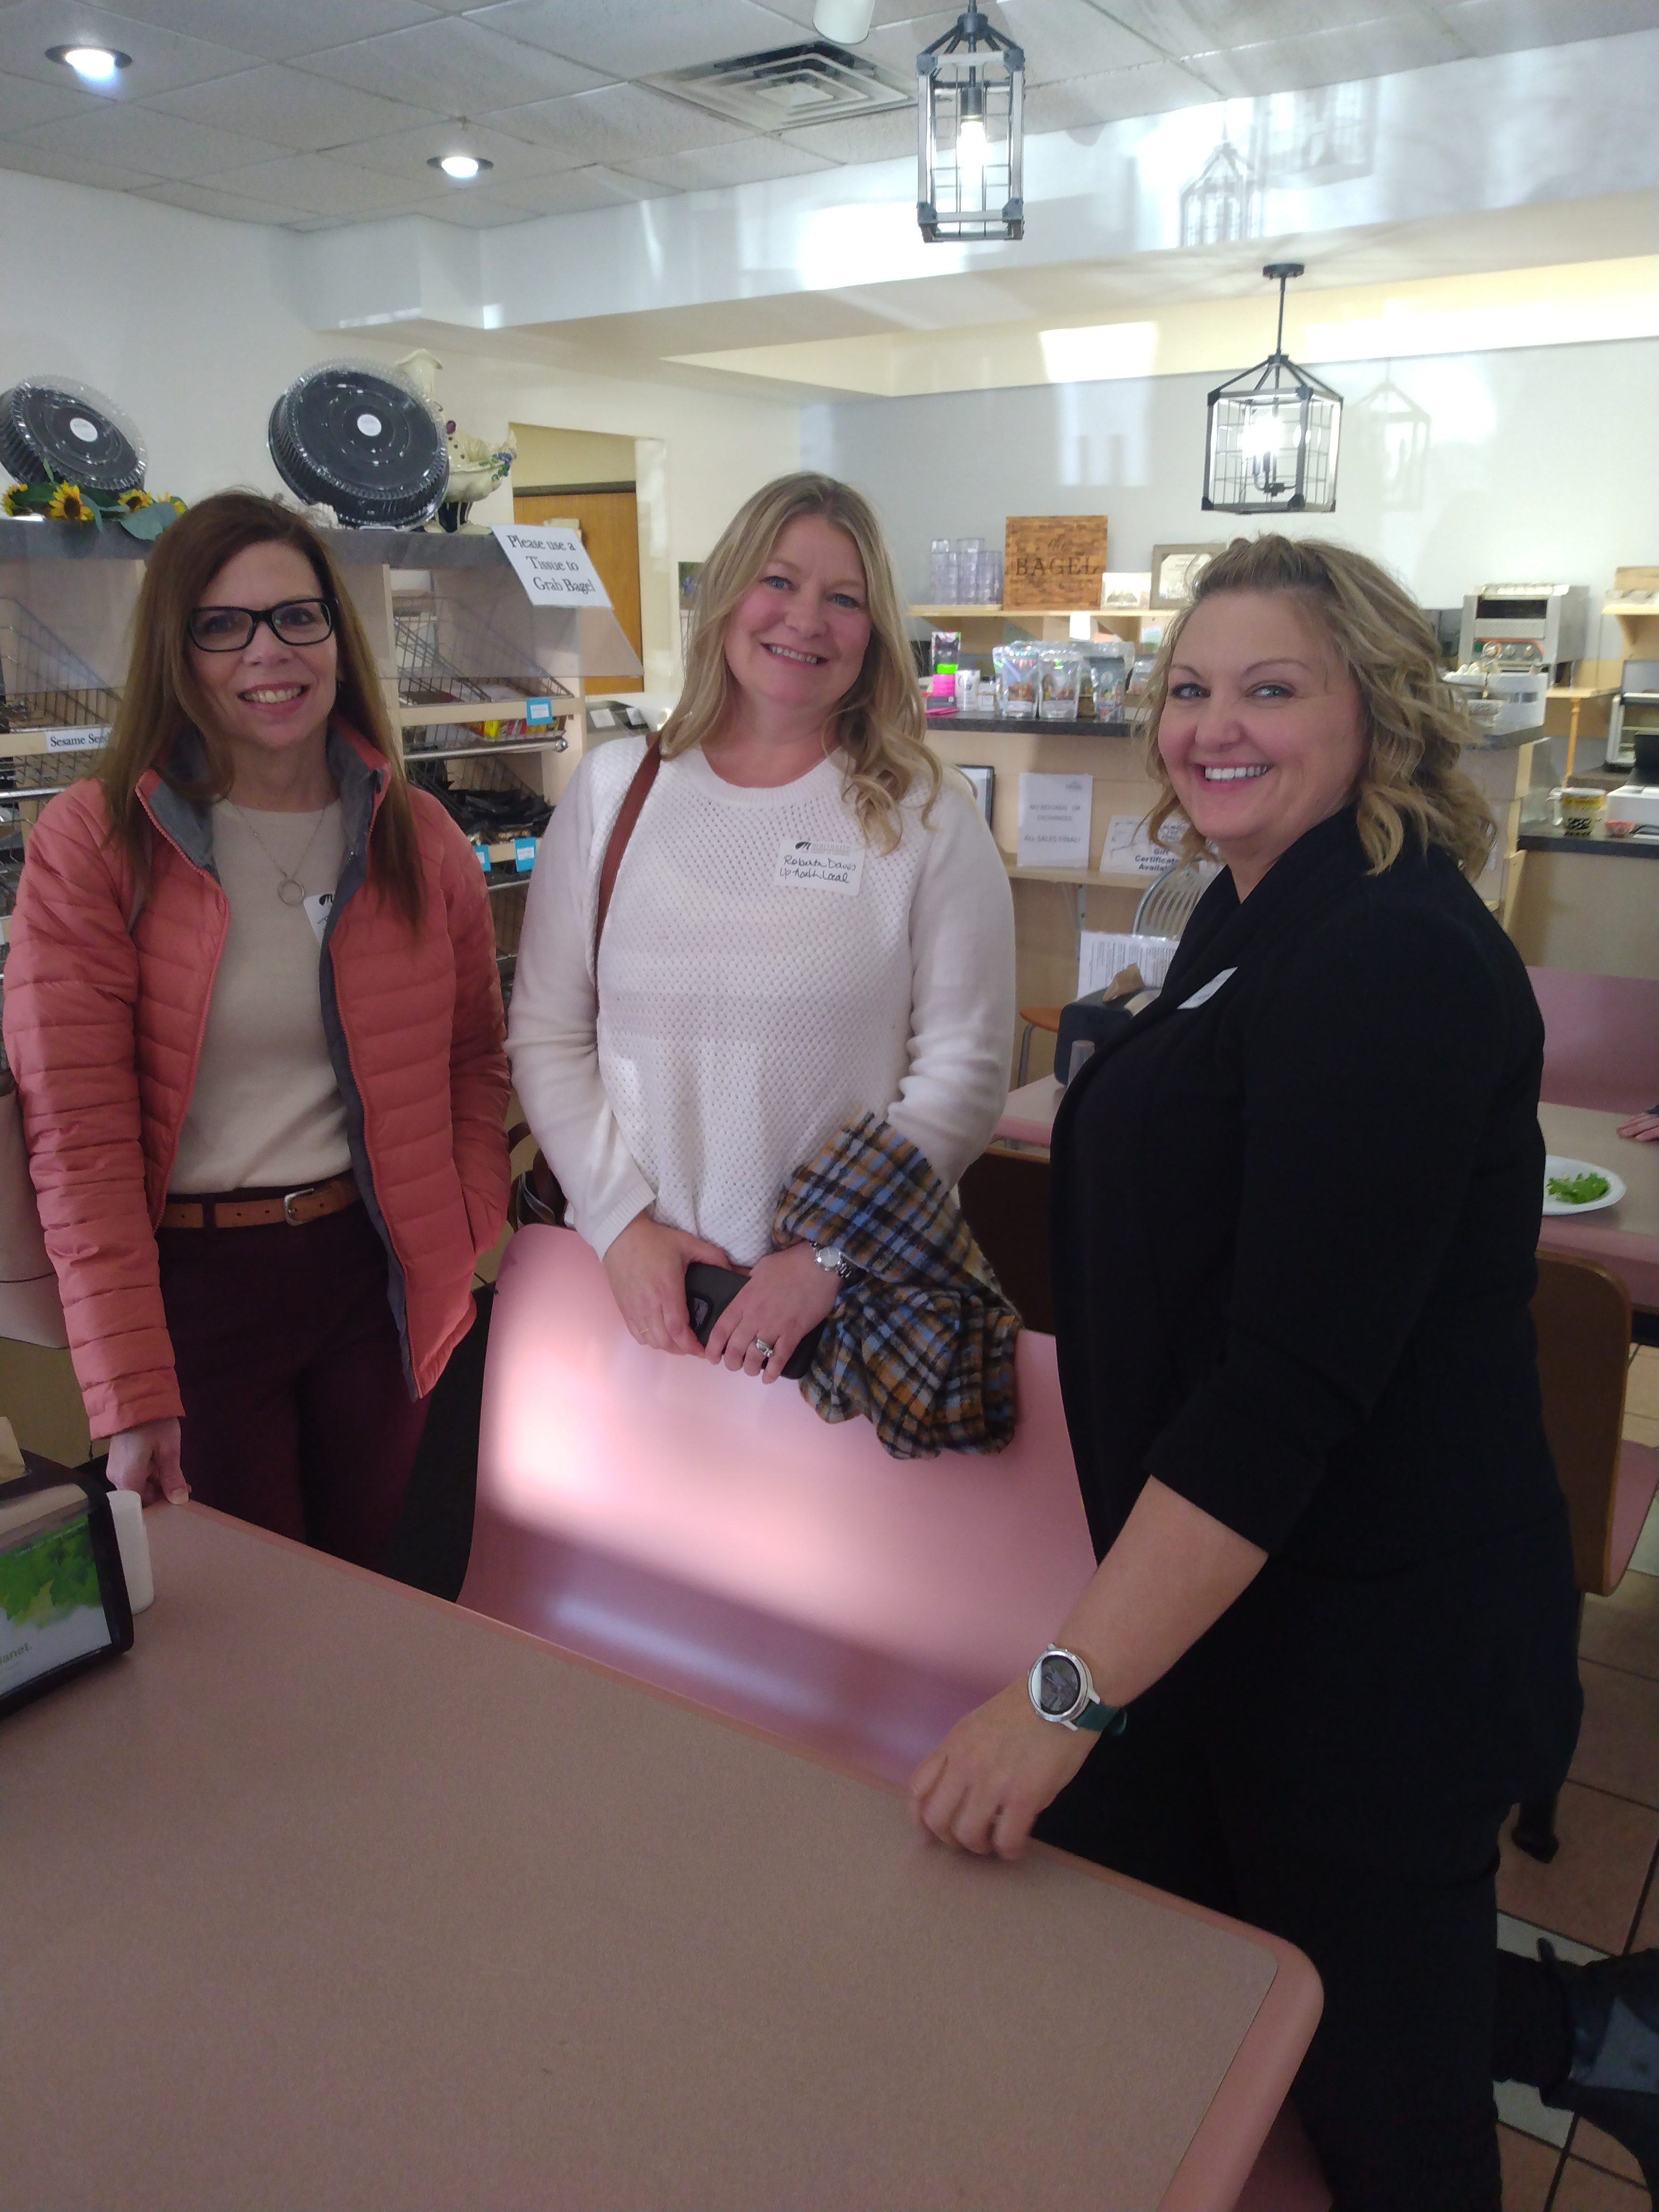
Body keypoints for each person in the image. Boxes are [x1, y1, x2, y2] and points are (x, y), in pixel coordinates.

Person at [909, 534, 1659, 2210]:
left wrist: (1060, 1697)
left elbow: (1281, 1397)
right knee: (1186, 1984)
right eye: (1190, 689)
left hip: (1372, 1664)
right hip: (1238, 1626)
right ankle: (1577, 2024)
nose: (1212, 726)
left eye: (1271, 687)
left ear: (1376, 714)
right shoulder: (1265, 910)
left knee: (1390, 2133)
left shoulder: (1391, 958)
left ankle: (1580, 2034)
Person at [3, 492, 509, 1566]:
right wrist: (130, 1386)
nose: (267, 652)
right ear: (177, 651)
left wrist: (461, 1224)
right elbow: (79, 1139)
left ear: (337, 630)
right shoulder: (94, 846)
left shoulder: (415, 834)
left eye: (296, 616)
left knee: (375, 1579)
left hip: (371, 1279)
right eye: (222, 624)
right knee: (246, 1619)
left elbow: (473, 1055)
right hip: (195, 1293)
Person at [508, 471, 1015, 1385]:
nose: (806, 619)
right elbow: (549, 1031)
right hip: (629, 1299)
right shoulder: (618, 790)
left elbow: (965, 1073)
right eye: (778, 582)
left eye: (844, 598)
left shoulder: (927, 814)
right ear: (728, 595)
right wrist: (622, 1227)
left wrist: (828, 1257)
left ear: (876, 629)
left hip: (844, 1320)